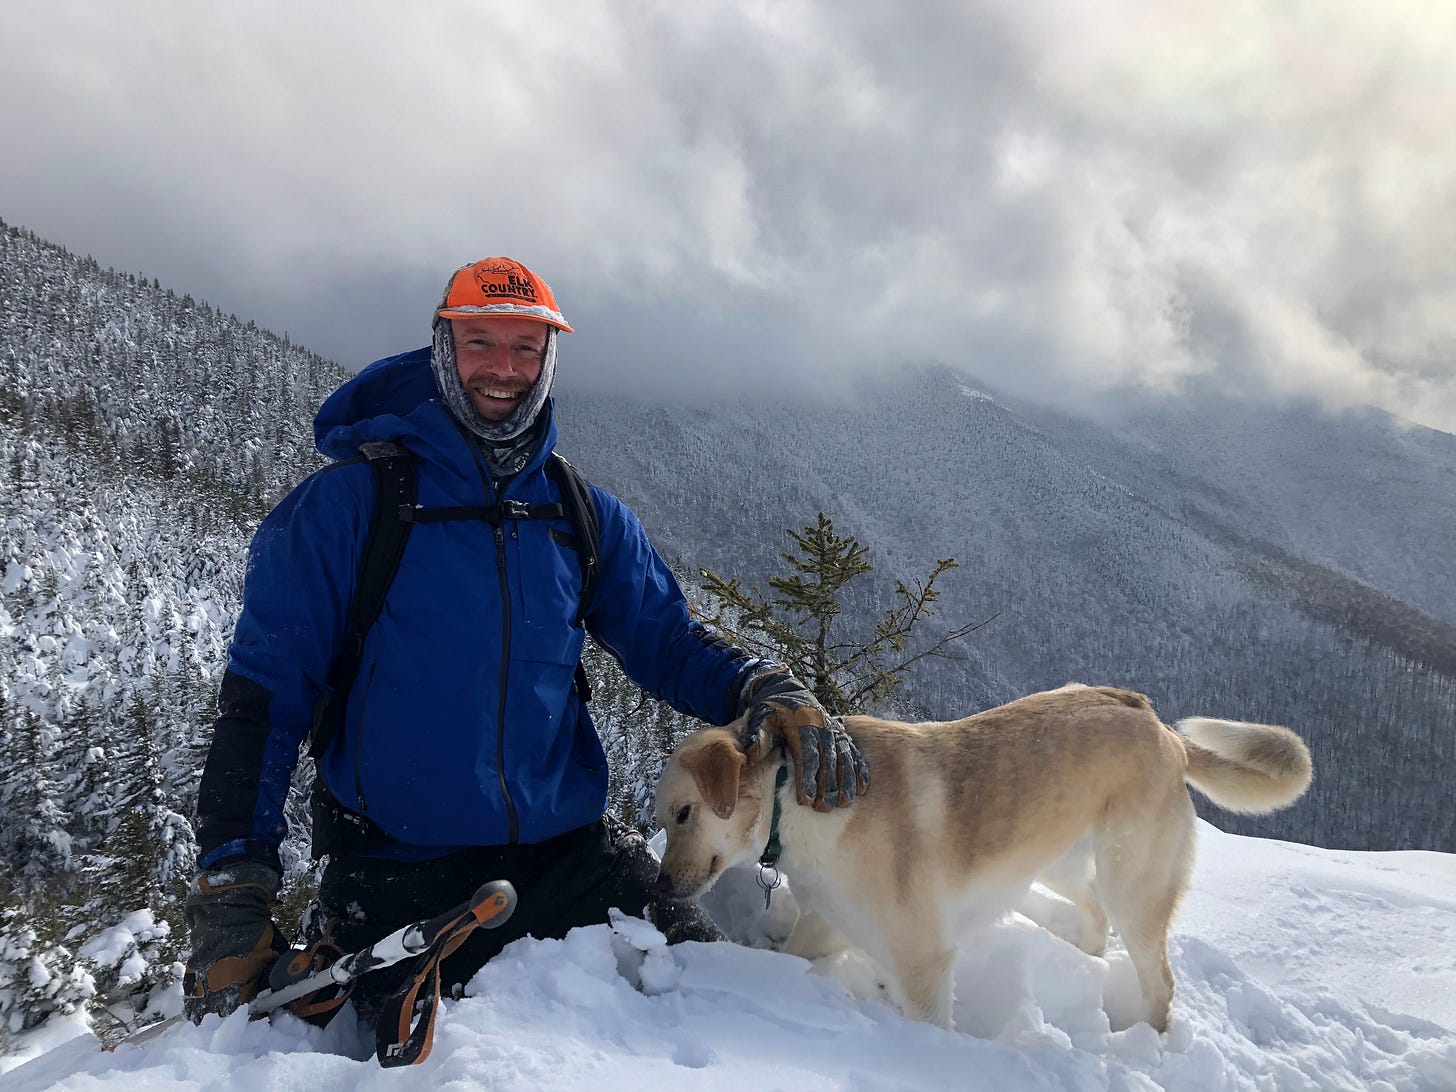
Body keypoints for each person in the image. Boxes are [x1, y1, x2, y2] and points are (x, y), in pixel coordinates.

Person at [183, 256, 870, 1025]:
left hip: (571, 859)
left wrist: (760, 685)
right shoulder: (347, 509)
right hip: (399, 874)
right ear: (444, 347)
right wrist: (232, 897)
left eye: (525, 348)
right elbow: (262, 705)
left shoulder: (577, 513)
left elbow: (664, 638)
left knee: (733, 1013)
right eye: (480, 343)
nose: (503, 370)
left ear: (548, 360)